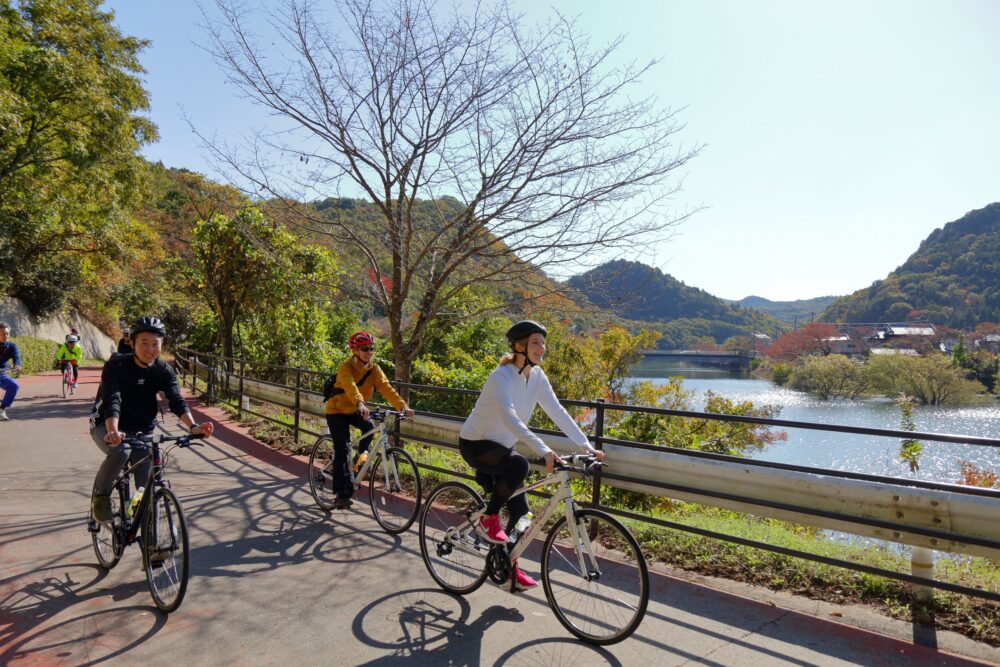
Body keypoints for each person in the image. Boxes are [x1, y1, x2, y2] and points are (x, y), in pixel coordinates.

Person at [459, 320, 604, 591]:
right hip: (476, 444)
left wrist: (586, 446)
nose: (543, 347)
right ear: (519, 346)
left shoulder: (537, 377)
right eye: (536, 342)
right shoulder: (500, 377)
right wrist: (544, 450)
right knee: (518, 464)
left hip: (502, 449)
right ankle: (488, 517)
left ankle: (508, 569)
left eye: (543, 342)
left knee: (523, 517)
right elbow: (510, 418)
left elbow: (557, 411)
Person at [89, 316, 214, 523]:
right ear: (132, 343)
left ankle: (148, 539)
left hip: (141, 428)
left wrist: (193, 426)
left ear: (162, 344)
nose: (150, 349)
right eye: (144, 343)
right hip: (106, 423)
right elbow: (113, 399)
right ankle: (100, 498)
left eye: (155, 344)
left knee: (145, 486)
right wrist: (113, 430)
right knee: (121, 452)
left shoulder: (163, 370)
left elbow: (175, 400)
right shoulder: (116, 365)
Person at [323, 331, 413, 509]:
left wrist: (403, 407)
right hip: (337, 411)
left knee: (370, 429)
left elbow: (386, 388)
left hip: (356, 409)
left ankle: (358, 464)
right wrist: (360, 403)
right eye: (365, 349)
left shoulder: (374, 369)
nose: (369, 352)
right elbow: (350, 387)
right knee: (341, 449)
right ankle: (342, 494)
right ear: (355, 350)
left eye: (371, 348)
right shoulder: (345, 367)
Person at [0, 322, 22, 421]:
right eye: (2, 334)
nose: (5, 336)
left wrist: (17, 365)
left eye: (7, 333)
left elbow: (16, 356)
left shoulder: (12, 346)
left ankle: (2, 409)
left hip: (2, 373)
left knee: (14, 385)